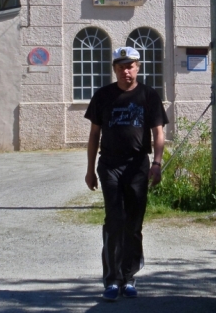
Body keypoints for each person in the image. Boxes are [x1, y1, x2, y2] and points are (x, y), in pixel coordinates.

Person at [84, 46, 168, 301]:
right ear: (115, 70)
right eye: (121, 67)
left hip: (137, 167)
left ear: (138, 67)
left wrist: (157, 163)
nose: (126, 71)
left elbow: (158, 133)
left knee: (133, 224)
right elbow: (94, 135)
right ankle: (111, 280)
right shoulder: (103, 96)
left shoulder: (149, 96)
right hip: (109, 164)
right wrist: (90, 170)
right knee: (114, 221)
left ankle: (129, 277)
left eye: (130, 66)